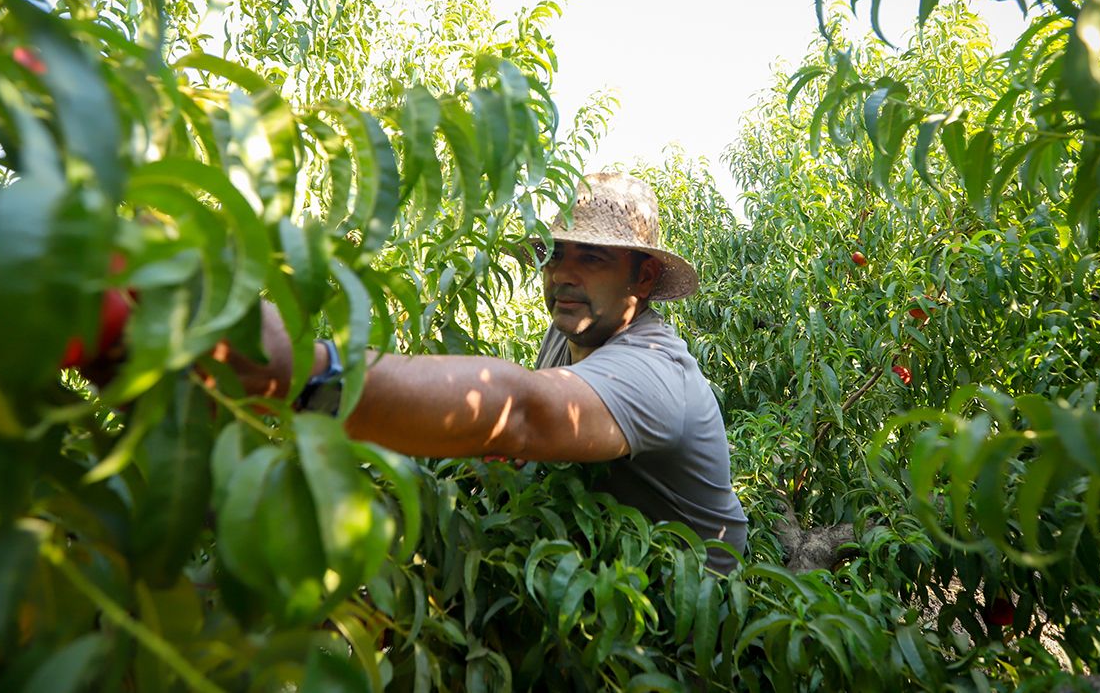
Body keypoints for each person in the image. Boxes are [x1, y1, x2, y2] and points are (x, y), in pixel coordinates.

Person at [234, 172, 749, 572]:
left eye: (591, 258)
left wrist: (303, 370)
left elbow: (522, 410)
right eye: (554, 254)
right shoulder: (573, 328)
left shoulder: (655, 372)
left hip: (679, 627)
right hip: (599, 568)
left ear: (645, 275)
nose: (562, 275)